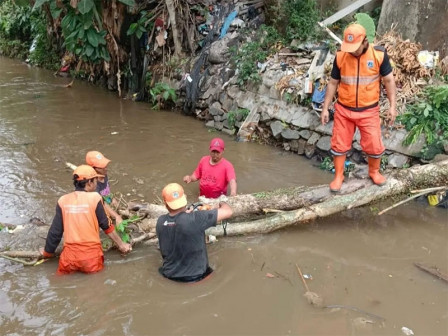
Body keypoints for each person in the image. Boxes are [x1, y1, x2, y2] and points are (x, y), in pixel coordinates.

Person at [321, 23, 397, 192]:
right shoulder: (341, 56)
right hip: (343, 110)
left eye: (355, 47)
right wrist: (325, 108)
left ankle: (374, 172)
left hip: (369, 110)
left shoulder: (378, 55)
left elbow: (389, 81)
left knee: (374, 145)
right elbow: (333, 83)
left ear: (365, 41)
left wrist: (392, 106)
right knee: (339, 144)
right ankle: (339, 175)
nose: (352, 51)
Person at [40, 165, 131, 274]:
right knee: (95, 285)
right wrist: (122, 245)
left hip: (69, 259)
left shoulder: (63, 200)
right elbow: (106, 225)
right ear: (89, 183)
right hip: (91, 258)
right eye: (95, 180)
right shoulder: (95, 198)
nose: (97, 183)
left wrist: (47, 253)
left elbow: (55, 232)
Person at [156, 183, 233, 282]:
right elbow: (228, 212)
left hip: (169, 276)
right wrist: (222, 202)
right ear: (185, 199)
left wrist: (185, 215)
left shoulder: (160, 221)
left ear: (165, 204)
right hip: (197, 278)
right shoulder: (195, 218)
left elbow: (175, 223)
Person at [85, 151, 123, 224]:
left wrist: (113, 199)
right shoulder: (93, 185)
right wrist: (116, 216)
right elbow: (102, 204)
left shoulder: (104, 174)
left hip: (107, 201)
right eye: (102, 167)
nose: (106, 168)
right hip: (101, 206)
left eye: (105, 166)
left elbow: (107, 190)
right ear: (93, 169)